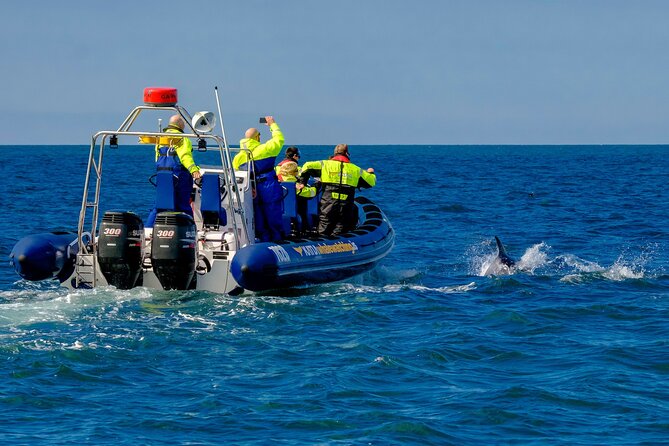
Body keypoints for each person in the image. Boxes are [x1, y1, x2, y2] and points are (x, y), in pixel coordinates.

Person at [299, 144, 375, 236]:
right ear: (347, 154)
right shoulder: (356, 169)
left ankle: (322, 245)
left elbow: (307, 166)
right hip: (346, 204)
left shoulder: (324, 164)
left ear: (335, 153)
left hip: (328, 203)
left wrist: (302, 182)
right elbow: (371, 182)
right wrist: (371, 172)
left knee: (324, 225)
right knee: (341, 227)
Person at [233, 116, 285, 242]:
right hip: (268, 186)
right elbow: (279, 139)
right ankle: (277, 241)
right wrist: (272, 124)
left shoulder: (237, 157)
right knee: (273, 214)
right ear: (257, 137)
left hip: (250, 188)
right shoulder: (265, 149)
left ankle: (262, 240)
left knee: (257, 216)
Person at [146, 115, 201, 228]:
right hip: (179, 177)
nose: (185, 125)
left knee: (159, 205)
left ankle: (148, 231)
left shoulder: (161, 138)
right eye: (183, 122)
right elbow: (185, 156)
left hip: (162, 176)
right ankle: (190, 231)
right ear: (180, 123)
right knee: (183, 206)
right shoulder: (182, 138)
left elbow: (157, 158)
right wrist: (194, 170)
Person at [278, 161, 318, 233]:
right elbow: (310, 193)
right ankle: (305, 230)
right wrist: (315, 186)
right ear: (294, 172)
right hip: (293, 211)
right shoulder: (295, 185)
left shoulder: (278, 180)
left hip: (279, 210)